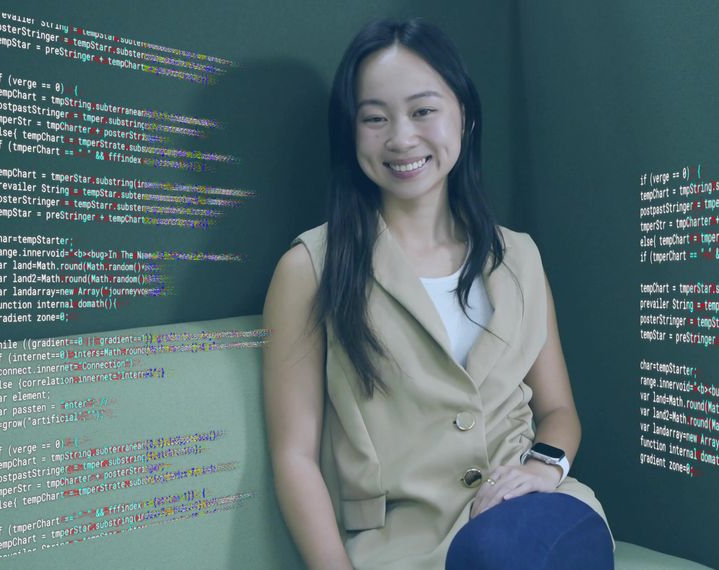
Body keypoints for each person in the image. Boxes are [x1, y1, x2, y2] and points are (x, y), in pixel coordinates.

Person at [262, 17, 614, 570]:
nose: (401, 138)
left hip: (537, 519)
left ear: (465, 117)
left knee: (515, 550)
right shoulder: (310, 268)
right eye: (375, 118)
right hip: (407, 547)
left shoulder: (519, 256)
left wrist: (545, 468)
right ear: (351, 132)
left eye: (423, 111)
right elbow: (295, 456)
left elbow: (558, 409)